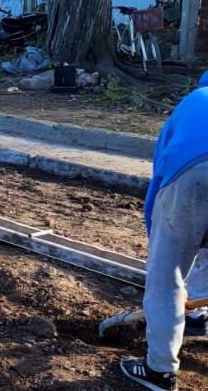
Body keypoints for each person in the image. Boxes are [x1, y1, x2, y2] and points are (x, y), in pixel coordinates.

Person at [120, 71, 208, 391]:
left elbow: (159, 180)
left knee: (166, 274)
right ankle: (198, 315)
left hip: (192, 171)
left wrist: (157, 240)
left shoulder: (191, 103)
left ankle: (160, 371)